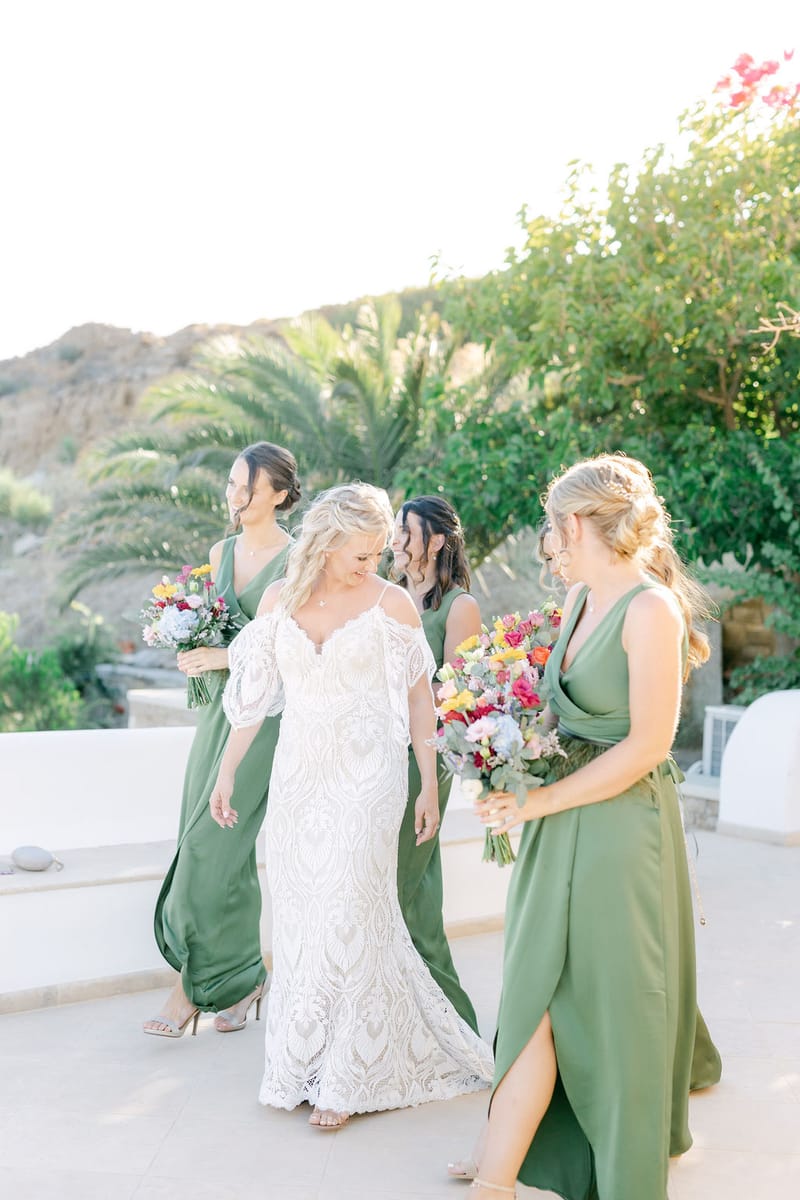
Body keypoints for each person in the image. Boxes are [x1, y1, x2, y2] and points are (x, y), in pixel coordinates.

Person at [462, 454, 722, 1200]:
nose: (549, 545)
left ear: (574, 525)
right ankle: (497, 1171)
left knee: (607, 1006)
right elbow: (556, 709)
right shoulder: (579, 603)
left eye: (551, 530)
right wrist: (499, 755)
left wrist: (537, 803)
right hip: (557, 822)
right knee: (535, 997)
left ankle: (547, 1167)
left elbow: (647, 746)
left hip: (618, 835)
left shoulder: (651, 611)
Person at [212, 483, 493, 1128]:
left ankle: (349, 1074)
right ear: (327, 540)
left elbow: (421, 700)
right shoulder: (281, 601)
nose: (375, 564)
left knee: (352, 907)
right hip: (299, 778)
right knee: (305, 916)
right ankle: (302, 1062)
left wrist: (428, 781)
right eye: (363, 554)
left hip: (371, 775)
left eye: (379, 553)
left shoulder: (392, 604)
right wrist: (225, 774)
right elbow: (254, 699)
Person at [143, 442, 300, 1038]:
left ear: (280, 495)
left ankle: (186, 992)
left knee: (211, 849)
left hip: (263, 724)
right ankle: (244, 979)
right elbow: (216, 624)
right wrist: (191, 645)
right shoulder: (221, 550)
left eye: (248, 488)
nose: (235, 497)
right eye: (233, 484)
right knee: (214, 849)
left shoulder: (296, 559)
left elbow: (290, 648)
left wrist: (222, 654)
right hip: (215, 714)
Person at [390, 495, 482, 1032]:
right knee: (416, 892)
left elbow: (453, 698)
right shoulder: (386, 596)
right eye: (395, 532)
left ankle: (437, 1025)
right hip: (371, 753)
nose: (397, 541)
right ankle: (446, 1026)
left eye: (407, 531)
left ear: (438, 541)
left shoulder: (458, 607)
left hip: (422, 758)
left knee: (396, 885)